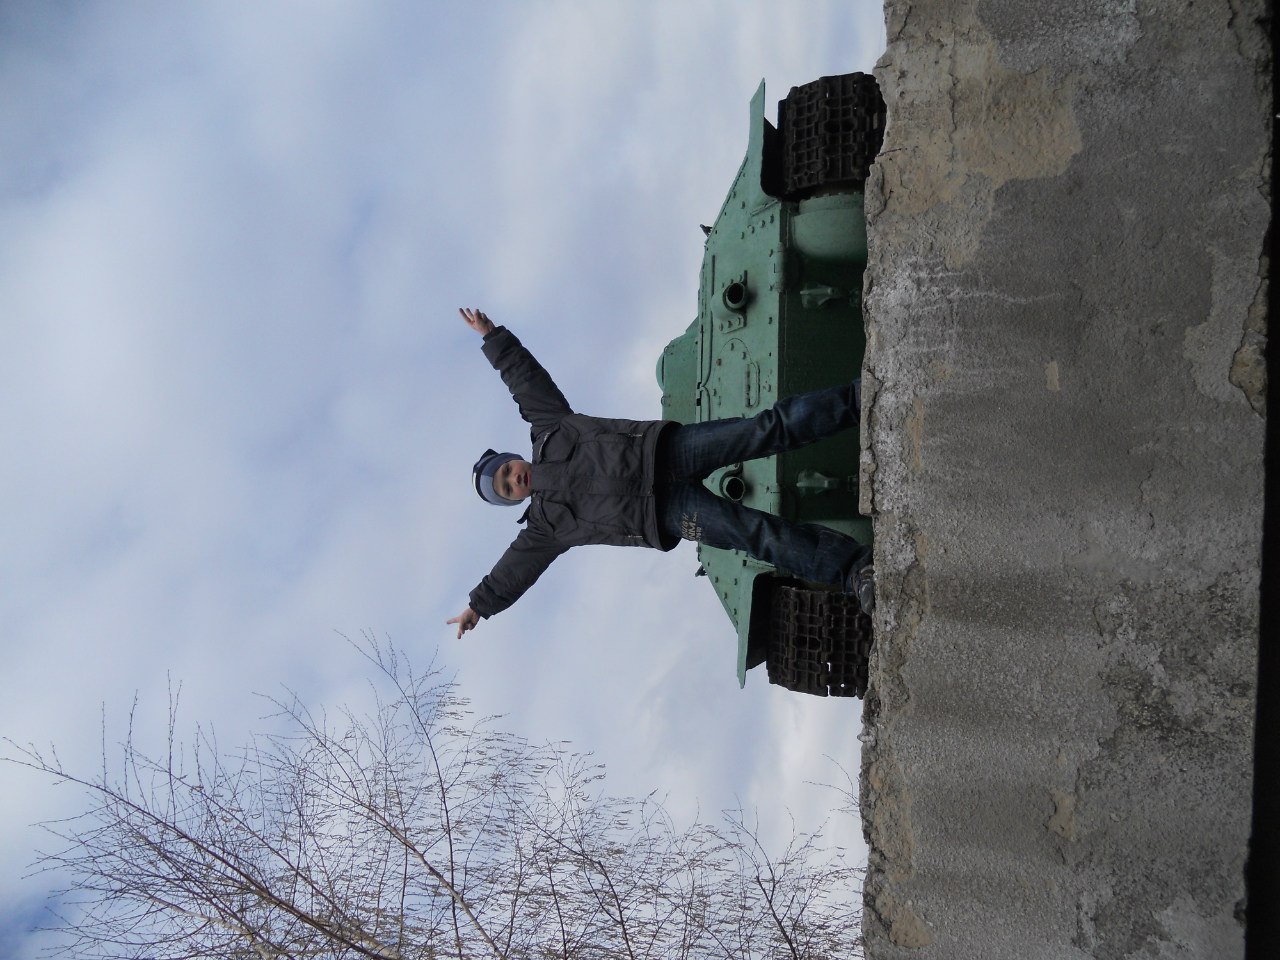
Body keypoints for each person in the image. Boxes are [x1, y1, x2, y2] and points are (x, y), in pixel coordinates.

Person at [447, 307, 875, 639]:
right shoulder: (545, 529)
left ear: (512, 458)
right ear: (513, 500)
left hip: (667, 453)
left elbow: (525, 380)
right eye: (506, 488)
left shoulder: (550, 427)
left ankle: (857, 400)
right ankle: (853, 569)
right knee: (757, 536)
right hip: (666, 514)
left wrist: (493, 338)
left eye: (507, 470)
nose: (513, 479)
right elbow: (514, 571)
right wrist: (479, 605)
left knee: (765, 430)